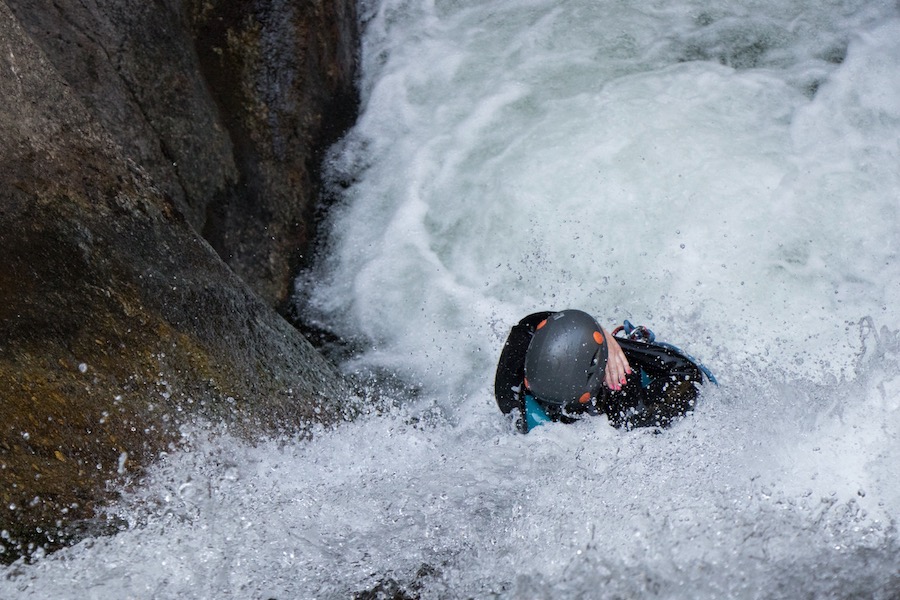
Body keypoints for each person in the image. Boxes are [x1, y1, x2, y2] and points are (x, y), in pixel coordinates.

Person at [494, 309, 716, 433]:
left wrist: (601, 336)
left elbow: (528, 325)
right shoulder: (629, 414)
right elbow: (690, 374)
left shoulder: (510, 398)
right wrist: (614, 349)